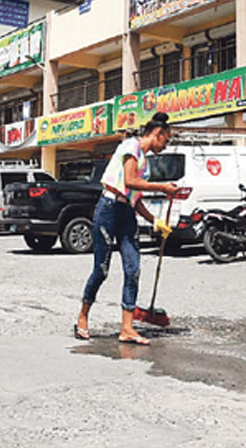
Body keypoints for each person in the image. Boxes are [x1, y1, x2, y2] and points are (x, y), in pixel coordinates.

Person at [74, 112, 178, 345]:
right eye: (166, 139)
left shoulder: (146, 164)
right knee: (101, 269)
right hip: (108, 208)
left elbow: (135, 197)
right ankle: (82, 317)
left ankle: (127, 328)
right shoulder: (131, 146)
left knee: (133, 269)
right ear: (157, 134)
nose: (166, 144)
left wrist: (155, 221)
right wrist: (162, 187)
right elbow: (129, 182)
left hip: (127, 212)